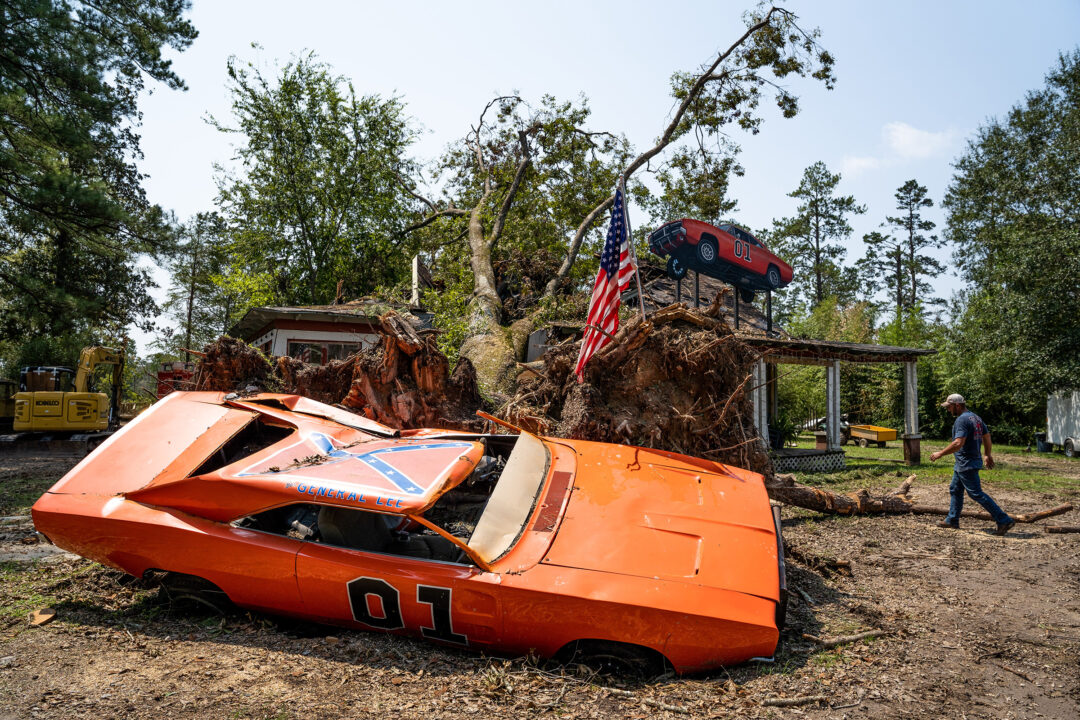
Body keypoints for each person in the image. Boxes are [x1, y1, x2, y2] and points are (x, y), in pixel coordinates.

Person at [930, 393, 1015, 535]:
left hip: (966, 462)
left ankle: (1003, 519)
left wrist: (940, 453)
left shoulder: (962, 420)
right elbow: (987, 437)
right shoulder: (975, 417)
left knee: (976, 493)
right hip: (966, 462)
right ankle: (952, 520)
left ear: (957, 405)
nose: (948, 410)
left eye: (949, 407)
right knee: (955, 489)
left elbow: (958, 443)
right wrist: (987, 454)